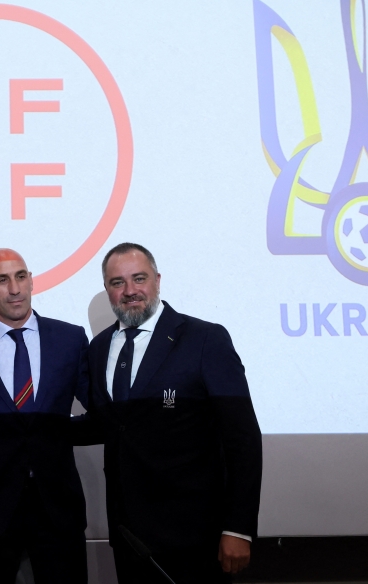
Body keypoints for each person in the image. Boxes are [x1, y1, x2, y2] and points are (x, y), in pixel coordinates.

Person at [87, 242, 262, 584]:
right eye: (117, 283)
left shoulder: (204, 339)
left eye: (139, 278)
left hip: (196, 538)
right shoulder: (98, 348)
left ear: (157, 280)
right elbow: (109, 425)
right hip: (129, 538)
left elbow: (242, 438)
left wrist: (239, 528)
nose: (130, 291)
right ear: (107, 289)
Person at [0, 248, 91, 584]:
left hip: (58, 508)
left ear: (30, 280)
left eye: (21, 276)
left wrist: (58, 432)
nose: (14, 289)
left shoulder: (70, 340)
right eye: (2, 280)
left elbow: (100, 411)